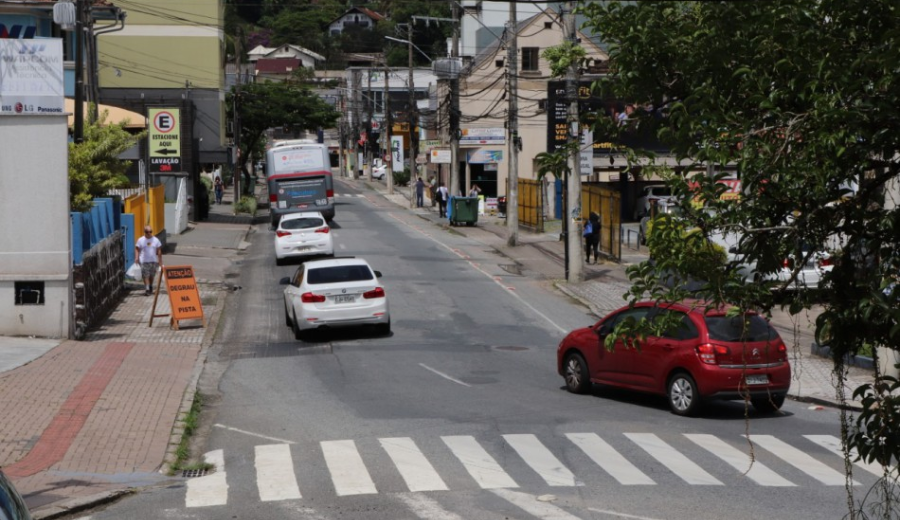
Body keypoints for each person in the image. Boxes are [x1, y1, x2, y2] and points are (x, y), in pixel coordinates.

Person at [135, 226, 163, 296]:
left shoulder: (156, 240)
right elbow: (137, 249)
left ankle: (150, 285)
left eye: (150, 232)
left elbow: (159, 250)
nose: (149, 233)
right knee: (145, 275)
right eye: (147, 232)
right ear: (144, 232)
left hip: (153, 260)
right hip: (144, 261)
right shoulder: (141, 240)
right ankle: (147, 288)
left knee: (151, 275)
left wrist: (160, 261)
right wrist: (136, 258)